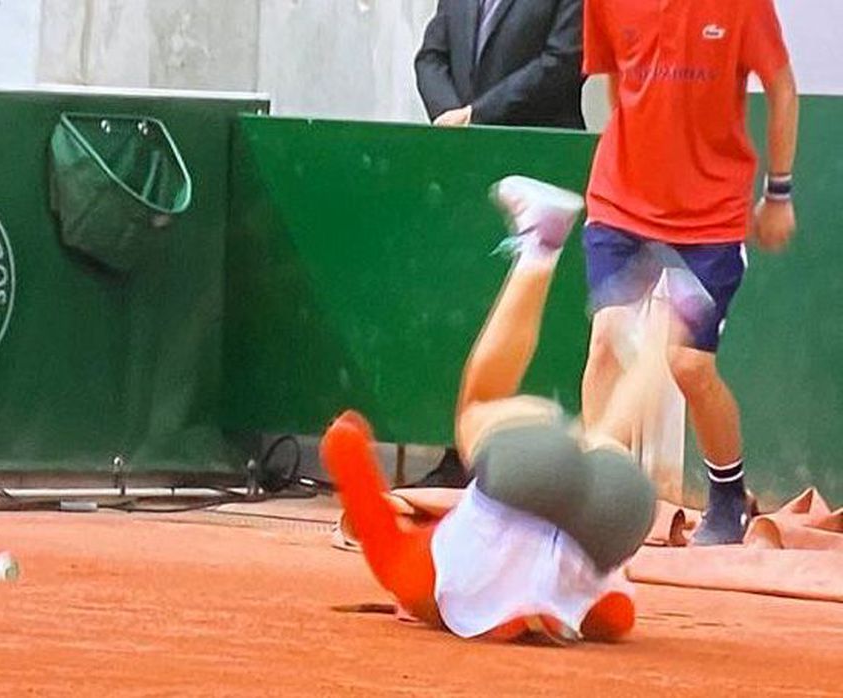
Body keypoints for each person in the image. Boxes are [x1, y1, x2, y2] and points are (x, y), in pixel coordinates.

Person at [320, 175, 705, 642]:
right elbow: (368, 509)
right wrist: (345, 446)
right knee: (487, 408)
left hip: (611, 516)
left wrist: (347, 447)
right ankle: (545, 248)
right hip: (572, 503)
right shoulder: (421, 567)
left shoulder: (413, 577)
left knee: (598, 438)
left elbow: (615, 616)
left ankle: (672, 316)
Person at [580, 0, 799, 544]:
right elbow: (617, 87)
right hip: (619, 204)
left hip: (710, 216)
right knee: (607, 339)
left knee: (687, 366)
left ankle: (728, 498)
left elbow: (782, 88)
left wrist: (779, 193)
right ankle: (592, 501)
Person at [414, 0, 585, 129]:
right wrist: (450, 114)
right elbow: (431, 57)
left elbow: (563, 62)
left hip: (538, 147)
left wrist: (477, 114)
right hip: (461, 149)